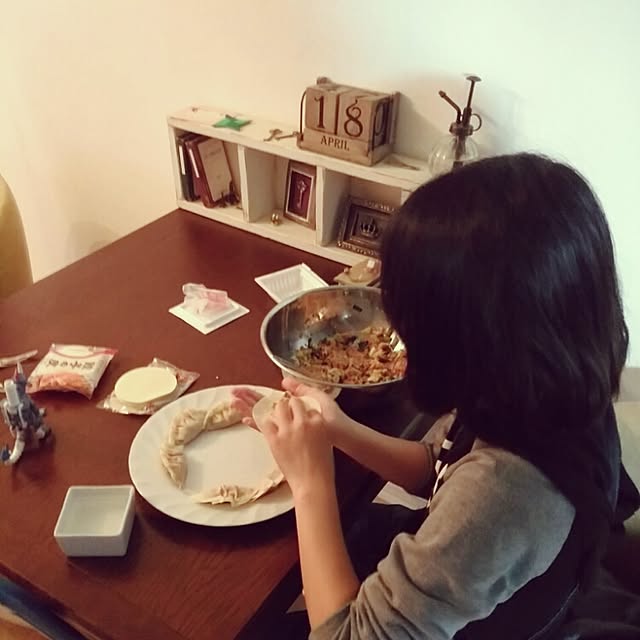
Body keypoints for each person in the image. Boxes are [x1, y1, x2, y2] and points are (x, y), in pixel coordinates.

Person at [232, 153, 635, 639]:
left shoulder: (504, 494)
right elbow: (438, 467)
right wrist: (339, 430)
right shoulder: (549, 384)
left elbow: (344, 635)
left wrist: (309, 483)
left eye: (411, 320)